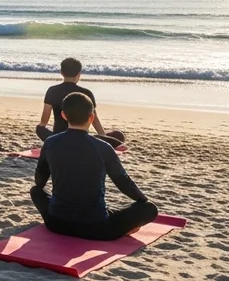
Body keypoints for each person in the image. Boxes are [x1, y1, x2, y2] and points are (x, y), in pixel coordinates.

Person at [31, 92, 157, 240]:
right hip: (97, 228)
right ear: (91, 117)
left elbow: (40, 181)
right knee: (150, 209)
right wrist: (143, 201)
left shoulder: (50, 142)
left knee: (35, 191)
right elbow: (123, 182)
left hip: (56, 223)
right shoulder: (103, 147)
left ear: (64, 115)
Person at [37, 57, 125, 145]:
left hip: (58, 138)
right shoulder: (86, 93)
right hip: (82, 139)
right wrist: (103, 137)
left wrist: (42, 128)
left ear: (61, 72)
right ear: (79, 74)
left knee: (39, 129)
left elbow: (44, 120)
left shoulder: (52, 91)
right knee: (119, 135)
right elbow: (94, 119)